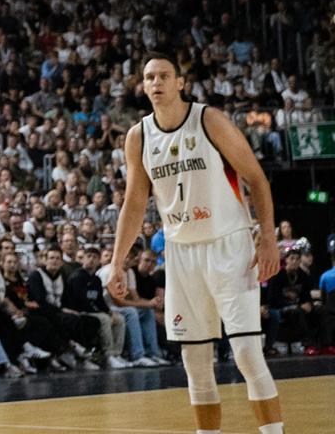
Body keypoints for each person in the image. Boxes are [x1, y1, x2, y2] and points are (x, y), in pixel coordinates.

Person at [107, 53, 287, 434]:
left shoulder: (209, 120)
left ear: (180, 82)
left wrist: (267, 237)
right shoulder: (138, 136)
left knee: (247, 354)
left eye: (163, 76)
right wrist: (117, 261)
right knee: (195, 361)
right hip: (181, 251)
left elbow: (256, 179)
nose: (155, 83)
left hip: (230, 245)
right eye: (149, 77)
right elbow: (135, 202)